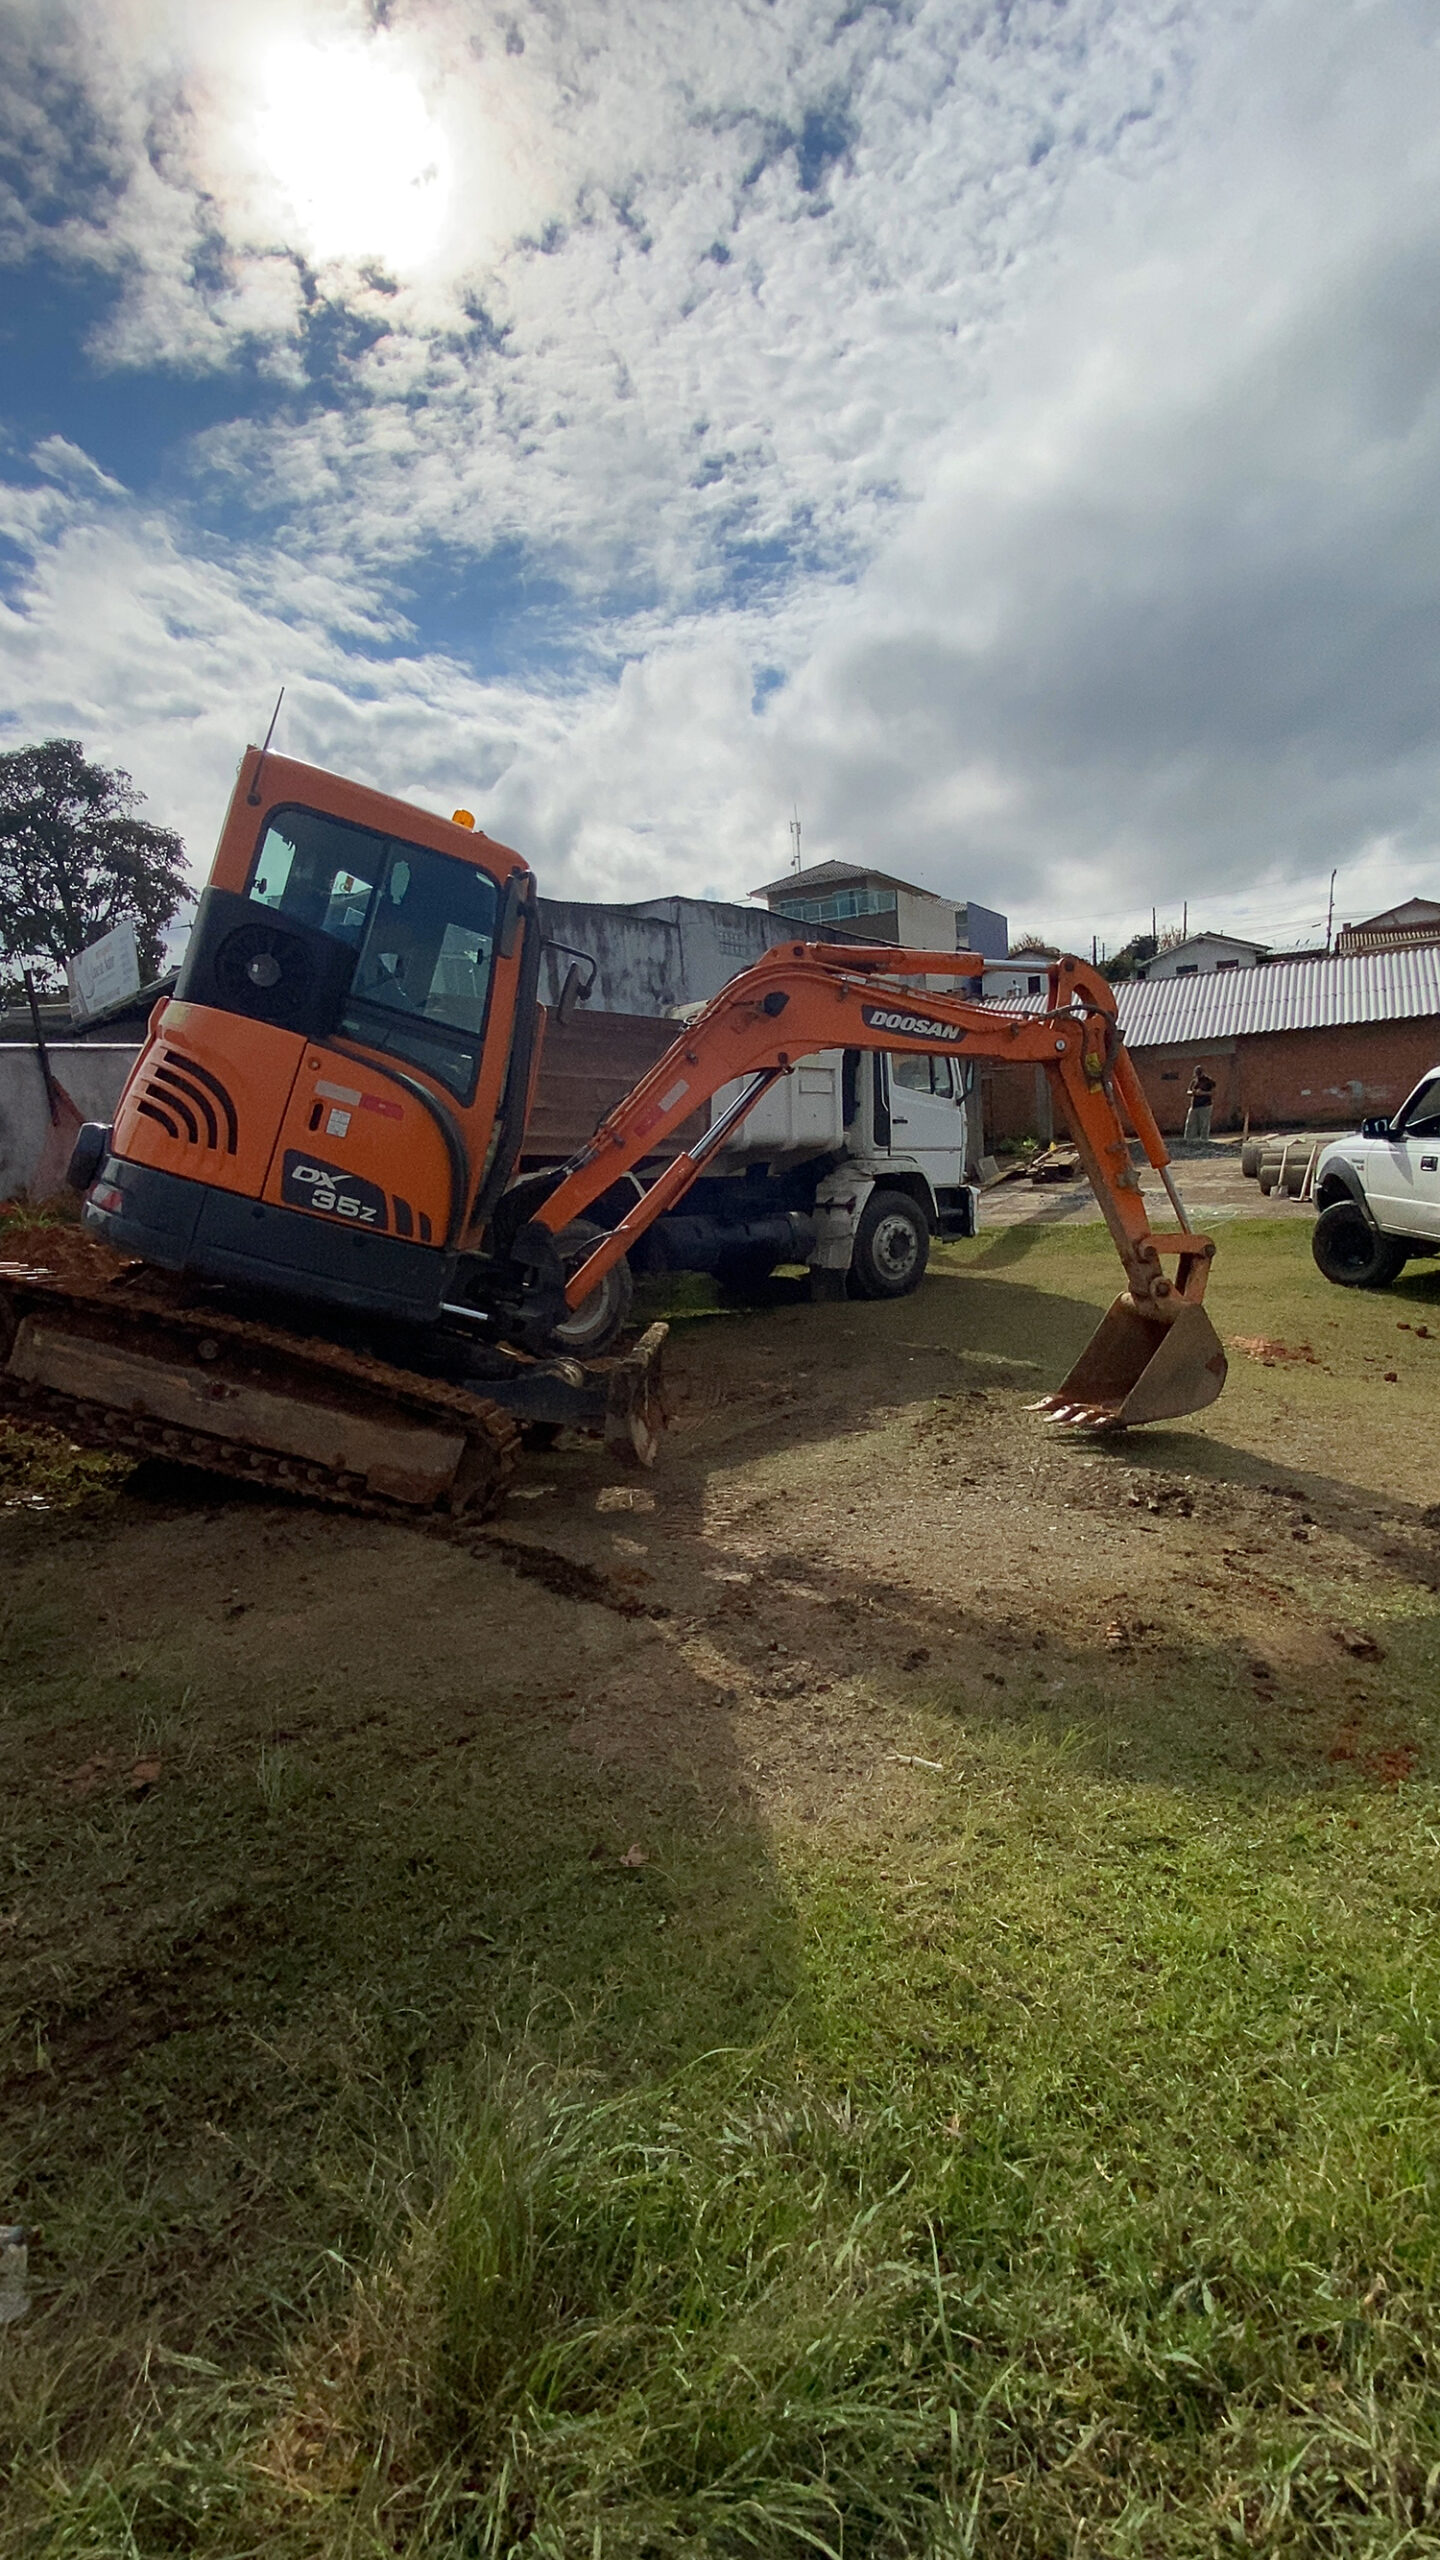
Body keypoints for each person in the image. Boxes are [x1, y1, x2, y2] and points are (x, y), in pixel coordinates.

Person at [1184, 1065, 1216, 1143]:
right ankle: (1189, 1140)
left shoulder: (1209, 1081)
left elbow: (1213, 1093)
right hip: (1194, 1106)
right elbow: (1188, 1091)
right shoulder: (1194, 1081)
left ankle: (1204, 1140)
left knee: (1204, 1124)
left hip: (1205, 1106)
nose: (1198, 1075)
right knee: (1190, 1123)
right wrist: (1193, 1092)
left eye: (1199, 1073)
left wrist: (1203, 1093)